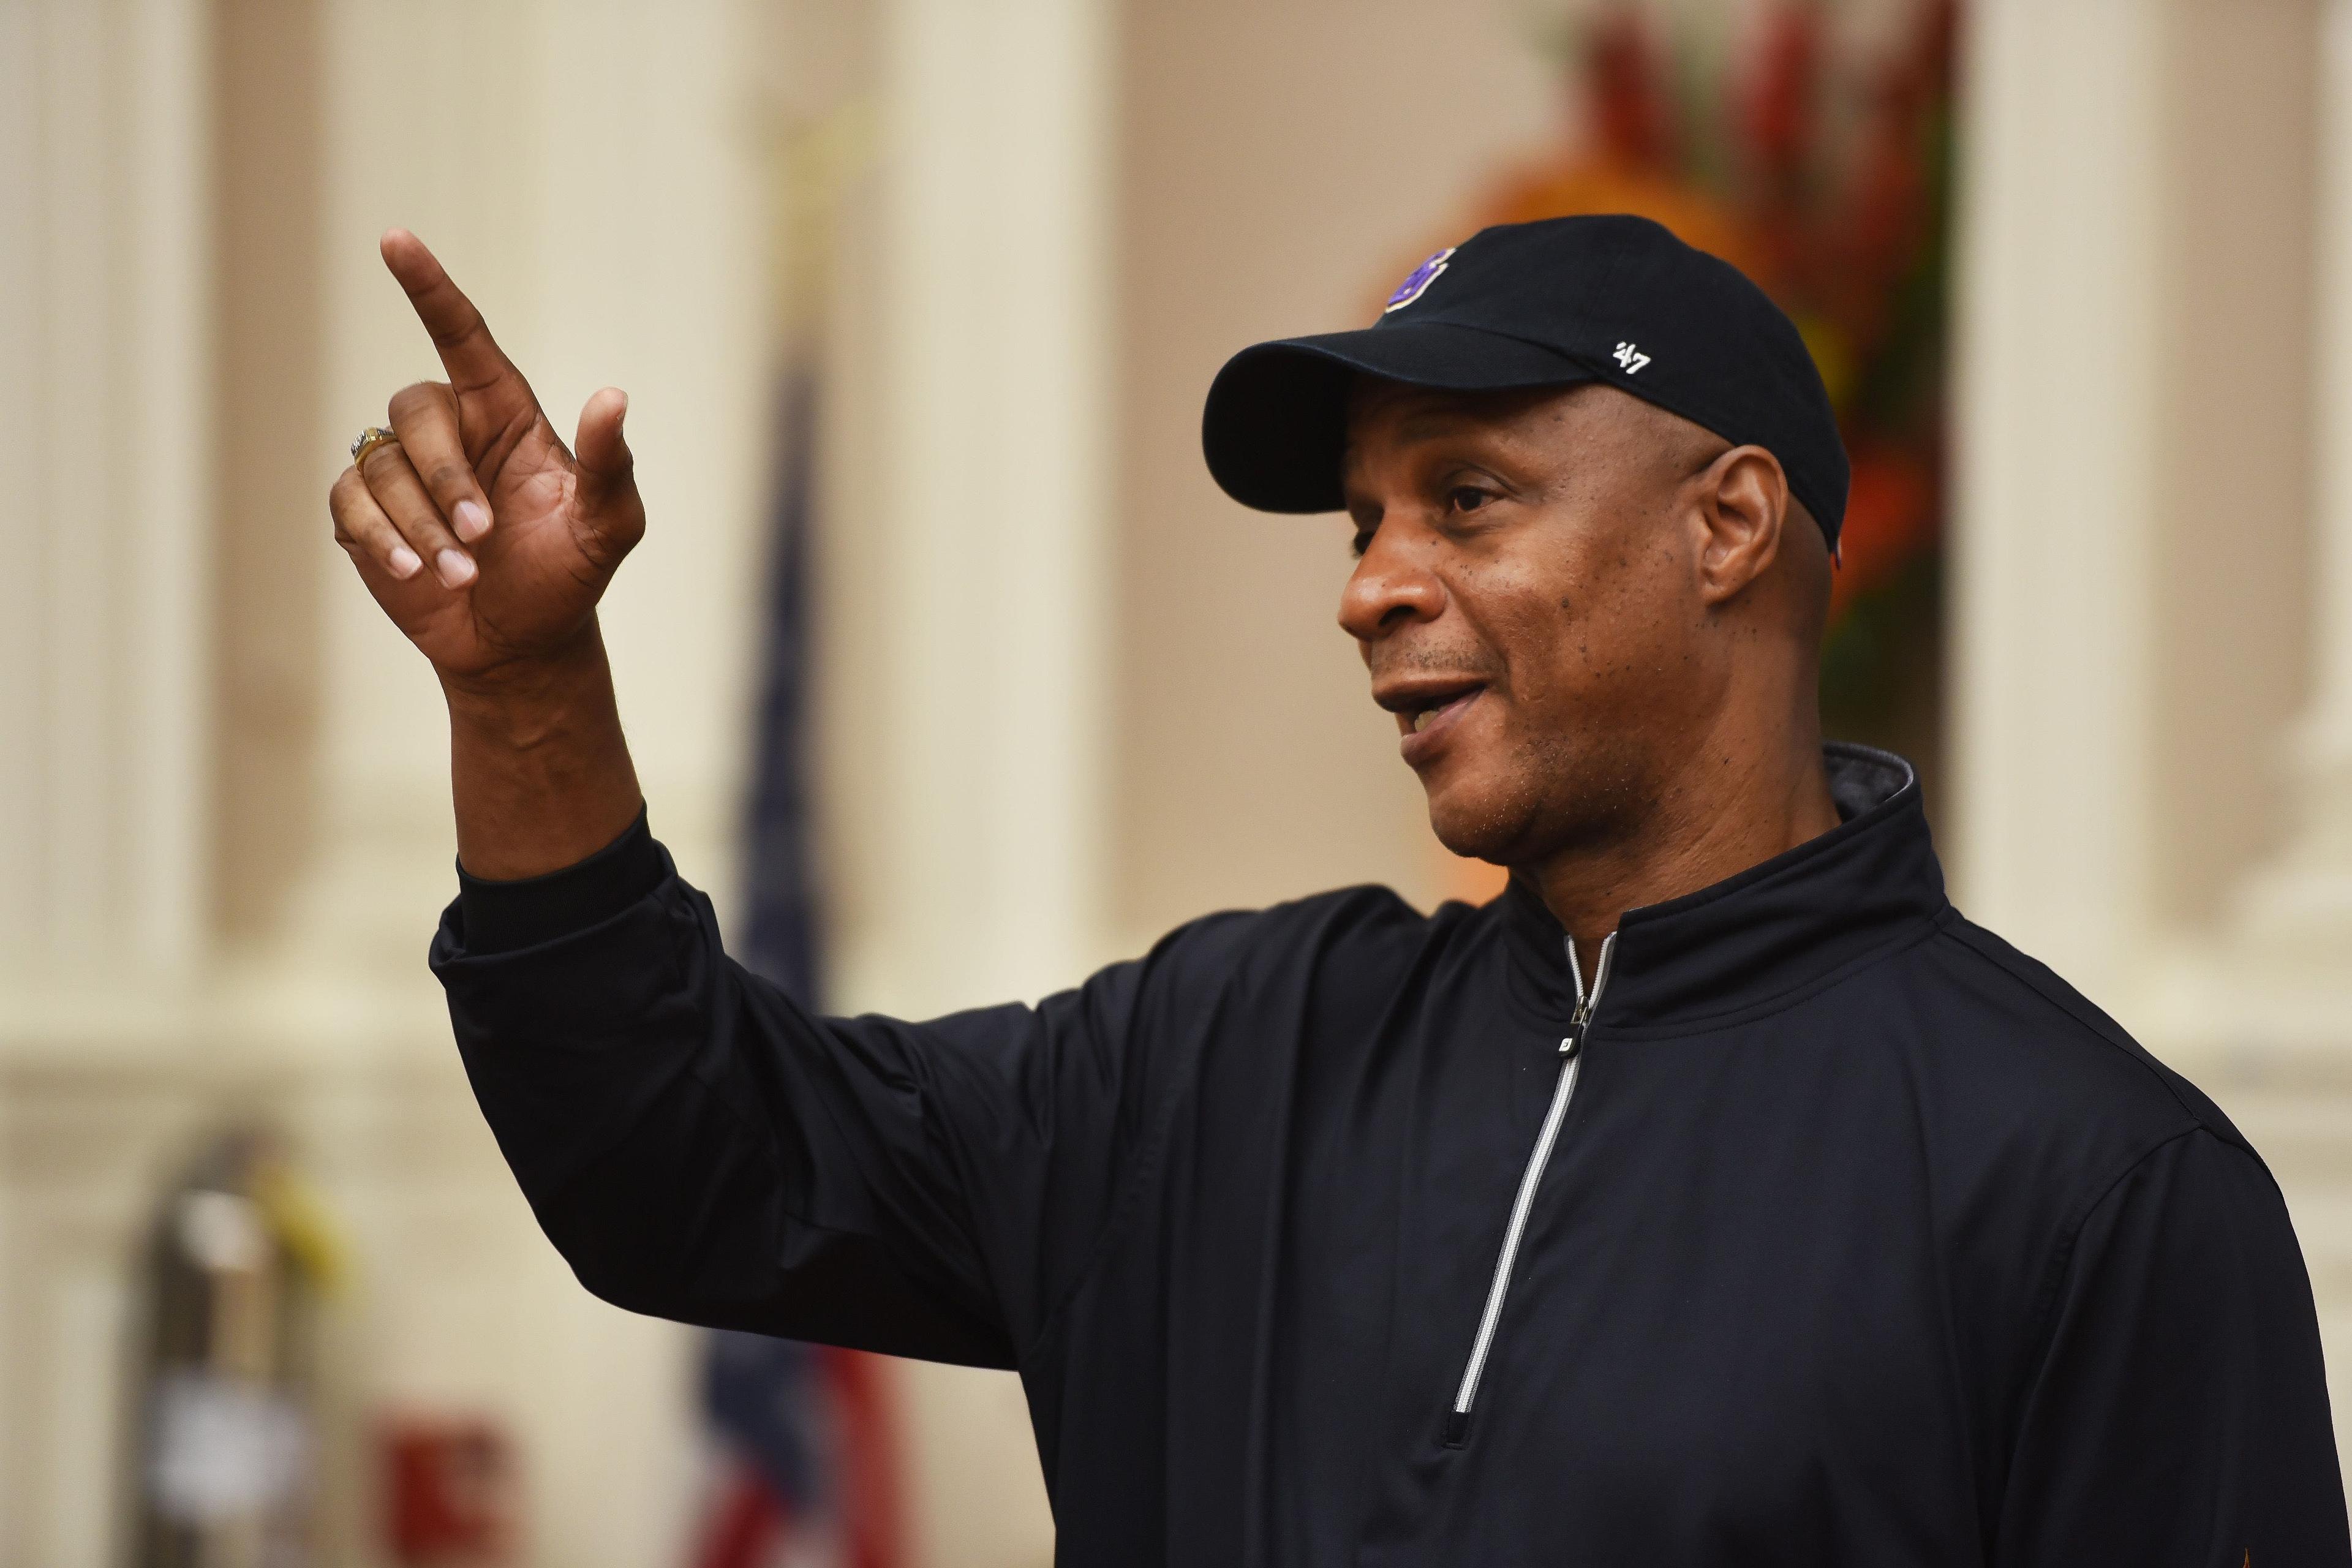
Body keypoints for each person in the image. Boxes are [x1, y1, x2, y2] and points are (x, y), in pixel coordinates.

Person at [329, 214, 2349, 1565]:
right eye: (1370, 517)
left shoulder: (2098, 1188)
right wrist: (523, 693)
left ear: (1729, 526)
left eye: (1467, 497)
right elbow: (687, 1164)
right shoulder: (1223, 1055)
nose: (1371, 582)